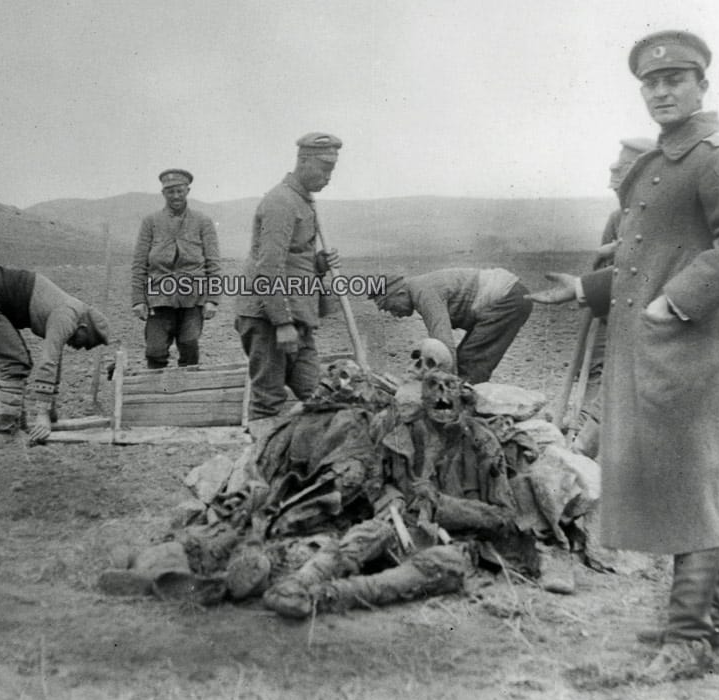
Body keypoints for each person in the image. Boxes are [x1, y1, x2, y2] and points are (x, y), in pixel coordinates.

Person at [529, 31, 719, 677]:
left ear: (702, 86)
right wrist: (584, 287)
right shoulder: (660, 161)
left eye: (676, 80)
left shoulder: (717, 160)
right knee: (703, 490)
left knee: (691, 493)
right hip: (663, 356)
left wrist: (677, 302)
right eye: (652, 83)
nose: (662, 91)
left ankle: (688, 639)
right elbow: (646, 266)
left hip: (692, 353)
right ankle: (714, 630)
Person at [235, 133, 343, 431]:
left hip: (298, 317)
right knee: (268, 401)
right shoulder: (281, 202)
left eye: (332, 170)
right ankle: (258, 471)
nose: (328, 178)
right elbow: (268, 267)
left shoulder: (302, 202)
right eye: (323, 169)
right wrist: (282, 323)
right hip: (268, 319)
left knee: (318, 395)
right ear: (303, 161)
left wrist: (317, 264)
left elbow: (293, 259)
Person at [0, 267, 112, 445]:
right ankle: (7, 433)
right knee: (15, 364)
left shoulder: (73, 313)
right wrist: (42, 415)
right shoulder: (67, 316)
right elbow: (48, 362)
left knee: (19, 361)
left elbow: (55, 360)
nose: (79, 348)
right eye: (84, 343)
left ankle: (19, 426)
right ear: (83, 328)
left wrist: (51, 411)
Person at [572, 135, 656, 457]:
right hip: (613, 313)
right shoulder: (616, 219)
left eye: (621, 171)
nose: (614, 181)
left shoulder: (665, 218)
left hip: (647, 322)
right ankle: (582, 442)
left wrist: (613, 250)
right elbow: (602, 267)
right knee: (597, 372)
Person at [369, 267, 532, 384]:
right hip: (507, 296)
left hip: (508, 298)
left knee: (470, 363)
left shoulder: (423, 292)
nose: (394, 315)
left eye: (390, 307)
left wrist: (444, 383)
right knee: (467, 363)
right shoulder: (419, 288)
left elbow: (443, 345)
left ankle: (462, 415)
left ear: (400, 294)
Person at [130, 169, 222, 369]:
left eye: (180, 191)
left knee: (189, 345)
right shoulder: (151, 222)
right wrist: (138, 300)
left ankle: (187, 396)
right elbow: (139, 263)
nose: (176, 196)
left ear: (187, 191)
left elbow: (213, 262)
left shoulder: (203, 222)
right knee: (155, 351)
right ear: (163, 194)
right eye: (170, 192)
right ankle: (156, 394)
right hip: (159, 298)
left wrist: (212, 299)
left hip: (192, 298)